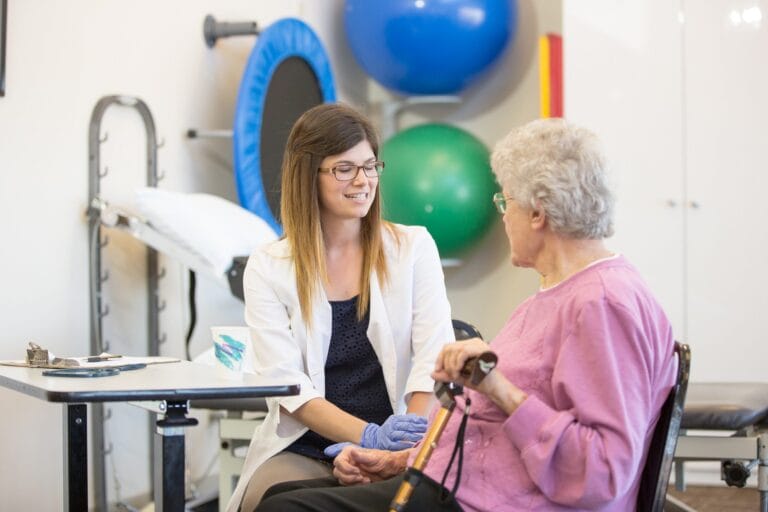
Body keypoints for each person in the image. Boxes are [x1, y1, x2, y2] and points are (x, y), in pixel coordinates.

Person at [252, 118, 678, 511]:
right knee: (286, 497)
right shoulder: (553, 296)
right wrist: (400, 458)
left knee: (284, 509)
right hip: (456, 477)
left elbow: (602, 471)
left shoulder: (602, 304)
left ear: (537, 214)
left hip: (488, 498)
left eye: (504, 200)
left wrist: (499, 390)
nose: (501, 214)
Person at [228, 103, 455, 512]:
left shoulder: (413, 247)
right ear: (308, 174)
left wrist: (398, 446)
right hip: (309, 444)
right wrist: (365, 437)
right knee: (268, 503)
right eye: (344, 169)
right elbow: (288, 384)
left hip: (402, 439)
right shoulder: (270, 265)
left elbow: (433, 358)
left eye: (370, 166)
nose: (363, 181)